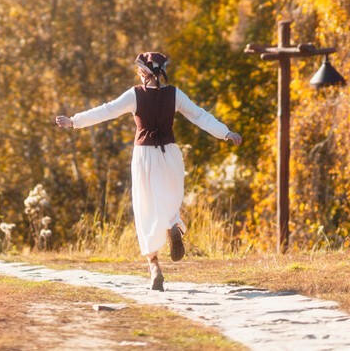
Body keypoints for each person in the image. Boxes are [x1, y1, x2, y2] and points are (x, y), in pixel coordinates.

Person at [55, 51, 241, 291]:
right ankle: (175, 225)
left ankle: (155, 268)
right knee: (170, 201)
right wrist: (225, 132)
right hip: (171, 155)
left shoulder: (135, 95)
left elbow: (106, 110)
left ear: (143, 73)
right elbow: (199, 116)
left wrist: (74, 121)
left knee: (145, 209)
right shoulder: (175, 94)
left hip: (145, 156)